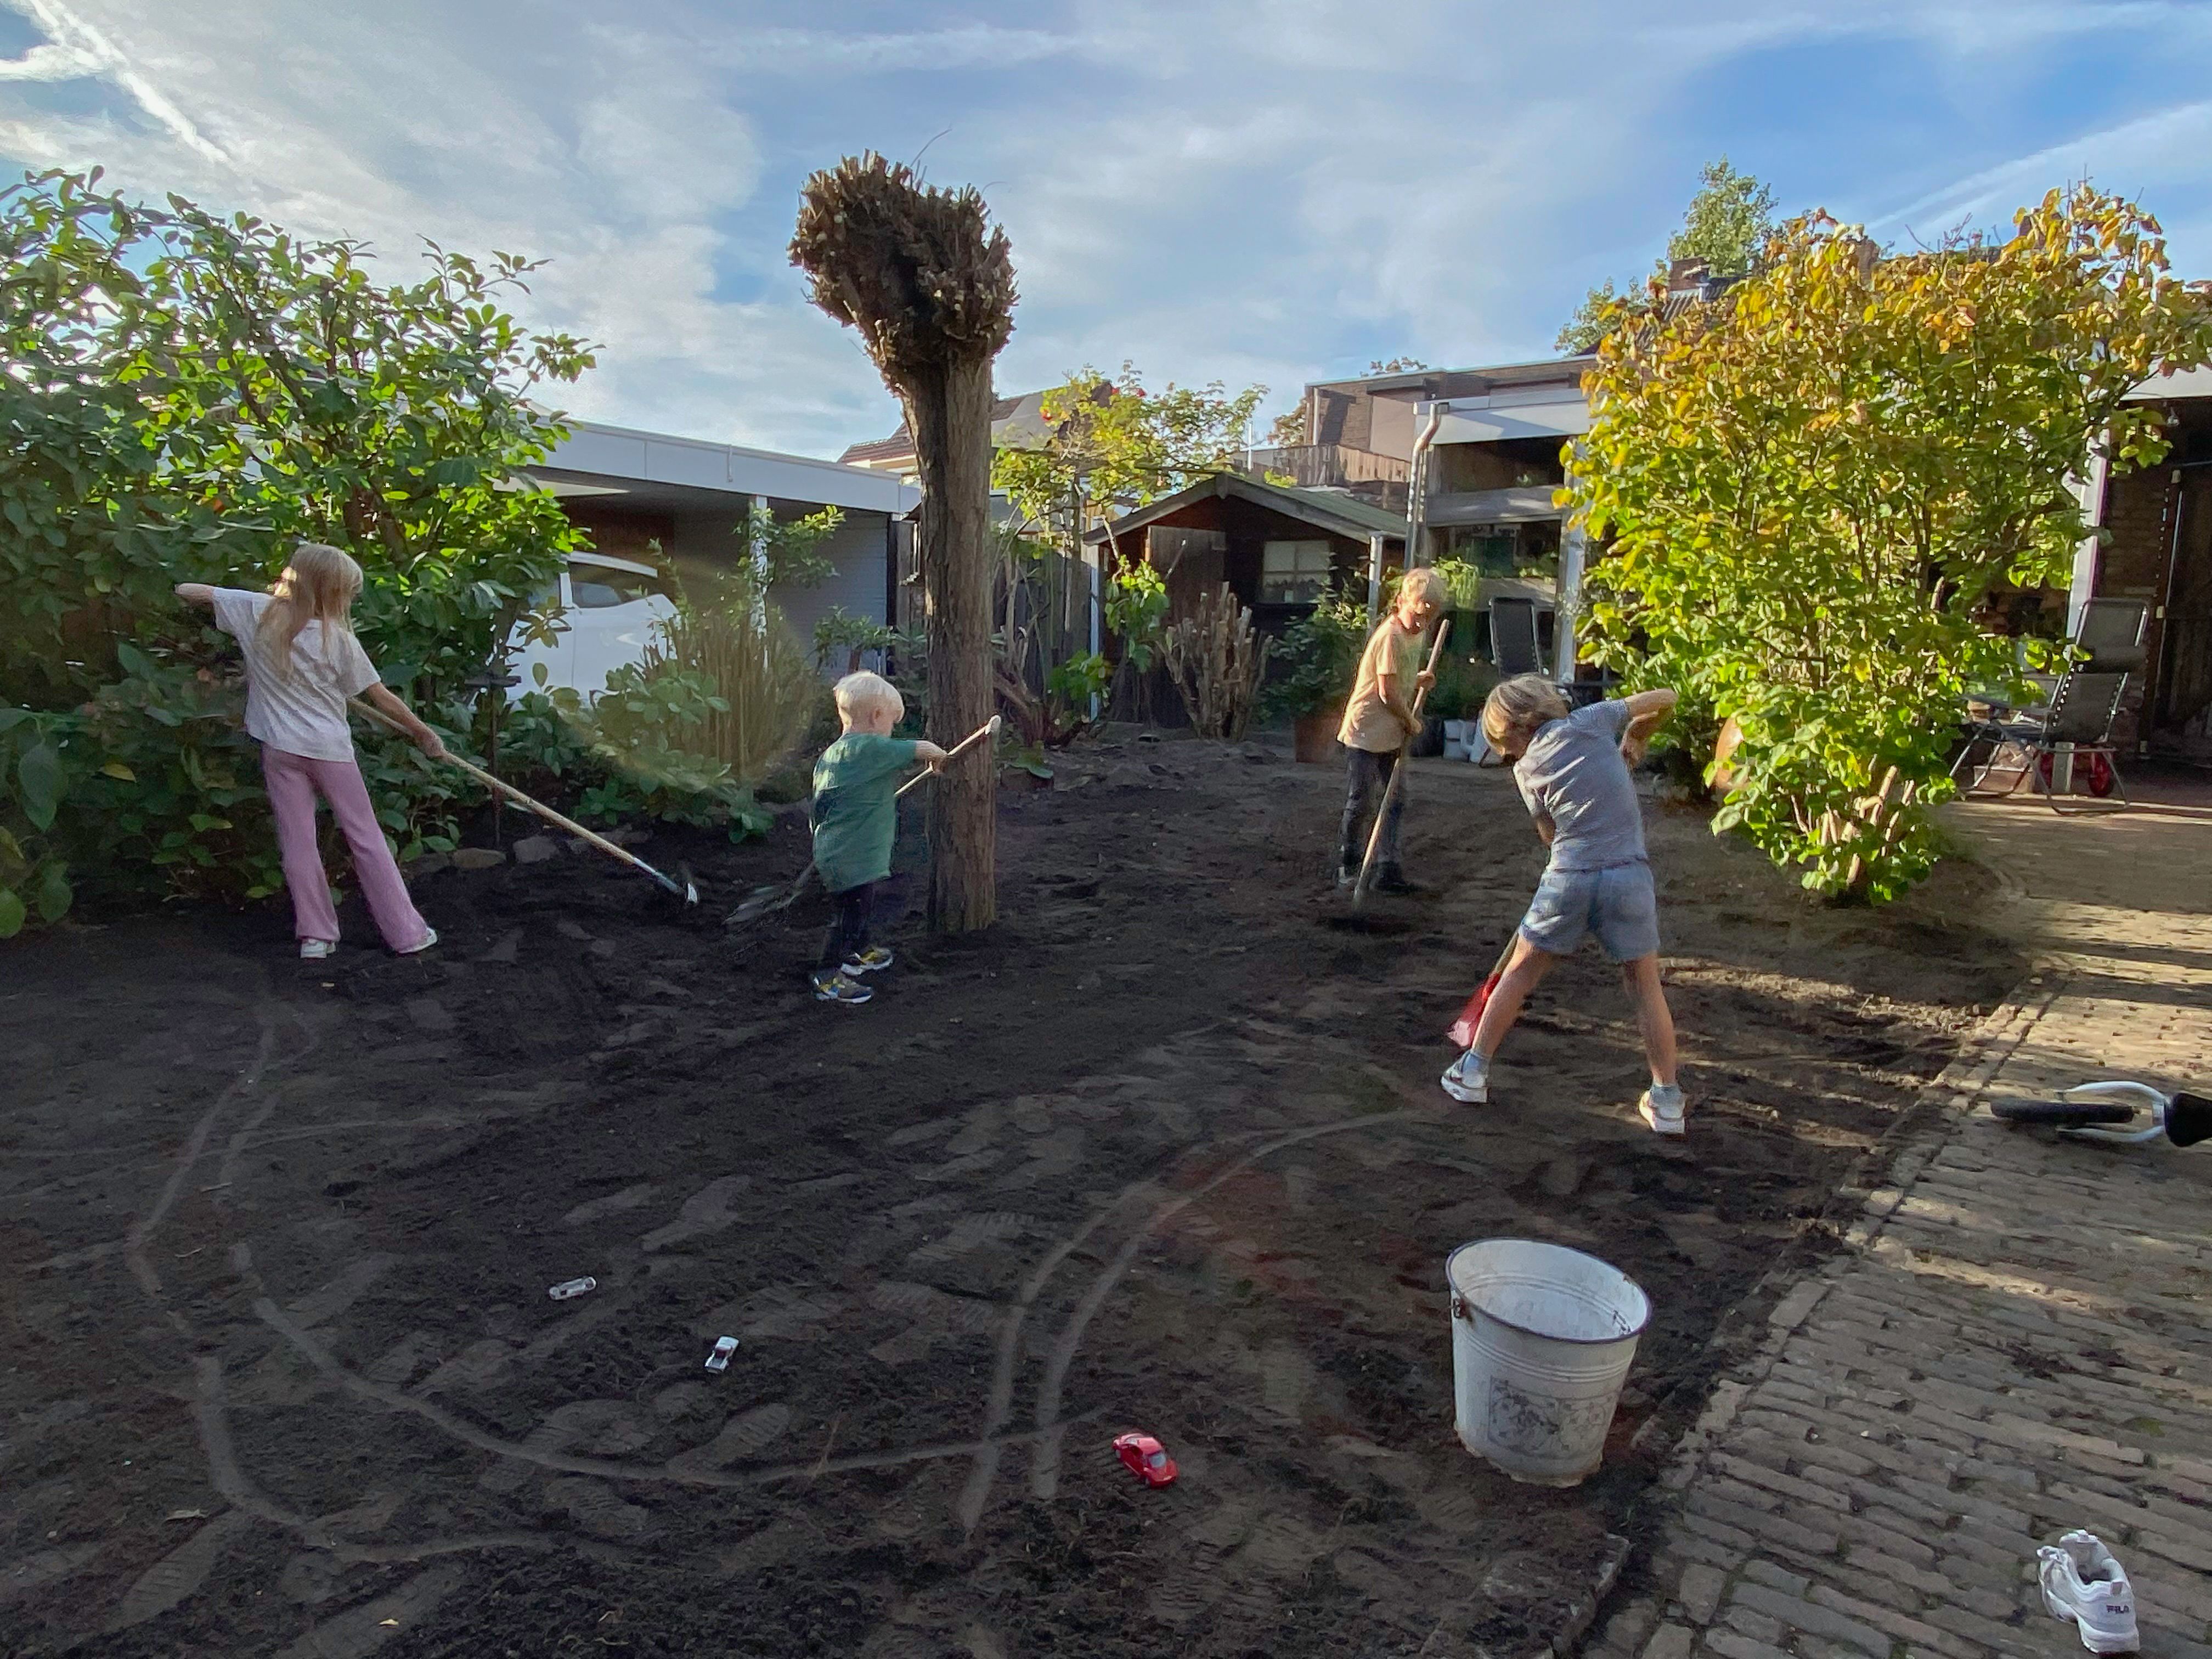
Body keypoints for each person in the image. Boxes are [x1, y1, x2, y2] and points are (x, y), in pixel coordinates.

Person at [1442, 674, 1687, 1135]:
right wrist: (1637, 732)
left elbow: (1550, 836)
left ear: (1513, 734)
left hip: (1568, 879)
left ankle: (1472, 1072)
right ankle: (1668, 1101)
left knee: (1518, 973)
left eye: (1506, 746)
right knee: (1645, 987)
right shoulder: (1592, 722)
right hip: (1628, 878)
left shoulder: (1525, 770)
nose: (1511, 757)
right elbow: (1667, 697)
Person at [175, 544, 444, 960]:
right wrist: (424, 733)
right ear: (332, 593)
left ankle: (316, 938)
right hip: (328, 752)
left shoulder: (257, 613)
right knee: (367, 839)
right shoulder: (339, 641)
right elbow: (382, 698)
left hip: (280, 750)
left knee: (298, 841)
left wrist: (249, 597)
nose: (352, 599)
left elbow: (187, 590)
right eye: (349, 592)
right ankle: (406, 934)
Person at [807, 671, 946, 1006]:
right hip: (853, 857)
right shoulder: (869, 747)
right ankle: (827, 976)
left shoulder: (835, 755)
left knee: (859, 905)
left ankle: (860, 950)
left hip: (837, 851)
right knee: (850, 914)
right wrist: (939, 756)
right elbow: (922, 749)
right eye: (891, 723)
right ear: (876, 717)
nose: (892, 731)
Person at [1335, 566, 1448, 891]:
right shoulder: (1390, 636)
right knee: (1361, 800)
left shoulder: (1418, 633)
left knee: (1396, 799)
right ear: (1402, 601)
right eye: (1420, 607)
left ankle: (1387, 867)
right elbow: (1385, 692)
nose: (1425, 616)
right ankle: (1349, 866)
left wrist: (1417, 680)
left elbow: (1399, 680)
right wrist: (1410, 720)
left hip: (1392, 731)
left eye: (1432, 610)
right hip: (1366, 729)